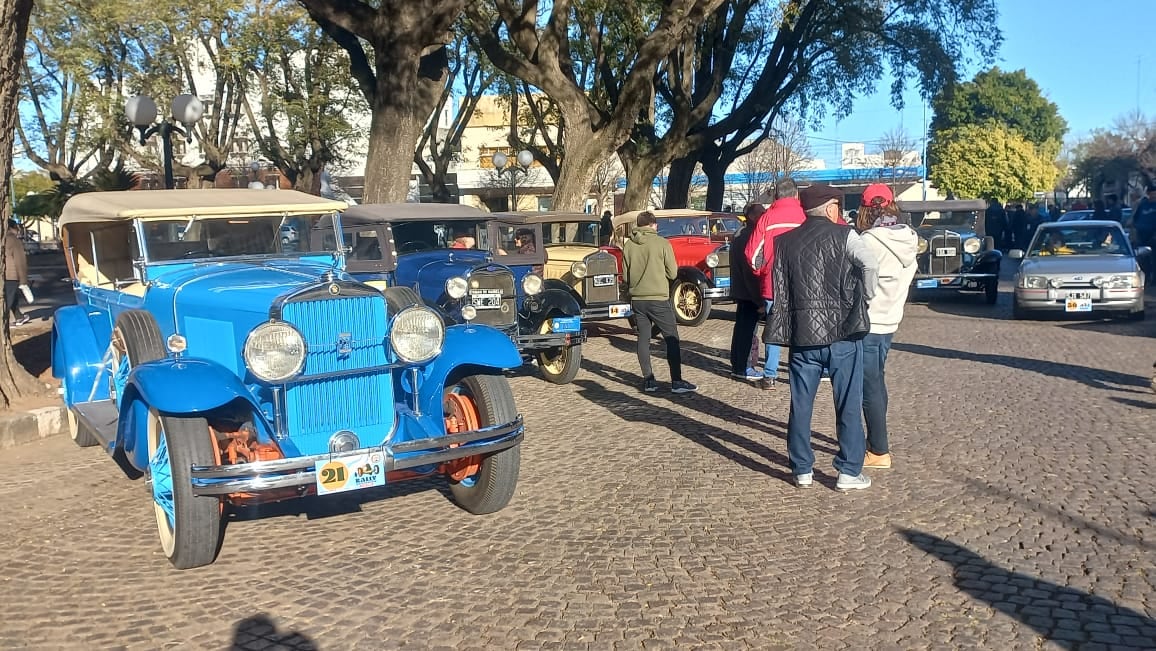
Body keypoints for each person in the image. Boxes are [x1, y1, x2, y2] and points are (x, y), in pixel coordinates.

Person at [765, 183, 878, 491]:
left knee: (800, 404)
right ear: (831, 208)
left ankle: (802, 469)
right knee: (848, 402)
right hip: (842, 333)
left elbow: (781, 288)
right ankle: (848, 471)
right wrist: (866, 297)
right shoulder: (846, 236)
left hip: (803, 334)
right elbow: (869, 262)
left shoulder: (785, 242)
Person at [854, 188, 918, 470]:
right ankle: (876, 443)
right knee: (877, 381)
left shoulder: (868, 241)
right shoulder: (910, 237)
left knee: (870, 387)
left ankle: (879, 450)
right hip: (891, 318)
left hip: (869, 320)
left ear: (866, 209)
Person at [622, 210, 696, 394]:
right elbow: (672, 273)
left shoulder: (629, 245)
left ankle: (648, 380)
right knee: (671, 338)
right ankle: (677, 381)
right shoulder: (662, 243)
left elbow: (625, 276)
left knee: (643, 339)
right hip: (658, 298)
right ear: (653, 225)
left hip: (638, 299)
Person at [744, 177, 806, 390]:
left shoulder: (768, 218)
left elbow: (752, 254)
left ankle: (769, 375)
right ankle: (800, 374)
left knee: (774, 330)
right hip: (803, 284)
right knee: (802, 330)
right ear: (796, 194)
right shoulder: (805, 217)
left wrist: (763, 272)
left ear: (776, 195)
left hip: (773, 284)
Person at [729, 203, 765, 381]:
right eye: (761, 213)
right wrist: (759, 300)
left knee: (741, 329)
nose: (764, 216)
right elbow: (750, 270)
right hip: (749, 292)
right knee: (747, 332)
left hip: (741, 290)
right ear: (752, 216)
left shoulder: (740, 234)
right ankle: (744, 366)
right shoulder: (749, 235)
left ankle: (738, 364)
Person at [4, 220, 30, 327]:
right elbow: (20, 261)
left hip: (4, 274)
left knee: (11, 297)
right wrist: (23, 280)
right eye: (17, 227)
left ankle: (19, 316)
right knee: (8, 299)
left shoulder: (3, 238)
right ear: (13, 227)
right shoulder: (14, 240)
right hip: (11, 275)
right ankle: (4, 321)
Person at [1132, 185, 1156, 283]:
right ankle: (1144, 279)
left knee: (1154, 259)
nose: (1154, 196)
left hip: (1154, 236)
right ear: (1148, 194)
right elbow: (1135, 218)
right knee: (1142, 258)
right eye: (1152, 194)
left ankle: (1154, 279)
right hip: (1141, 237)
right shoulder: (1143, 204)